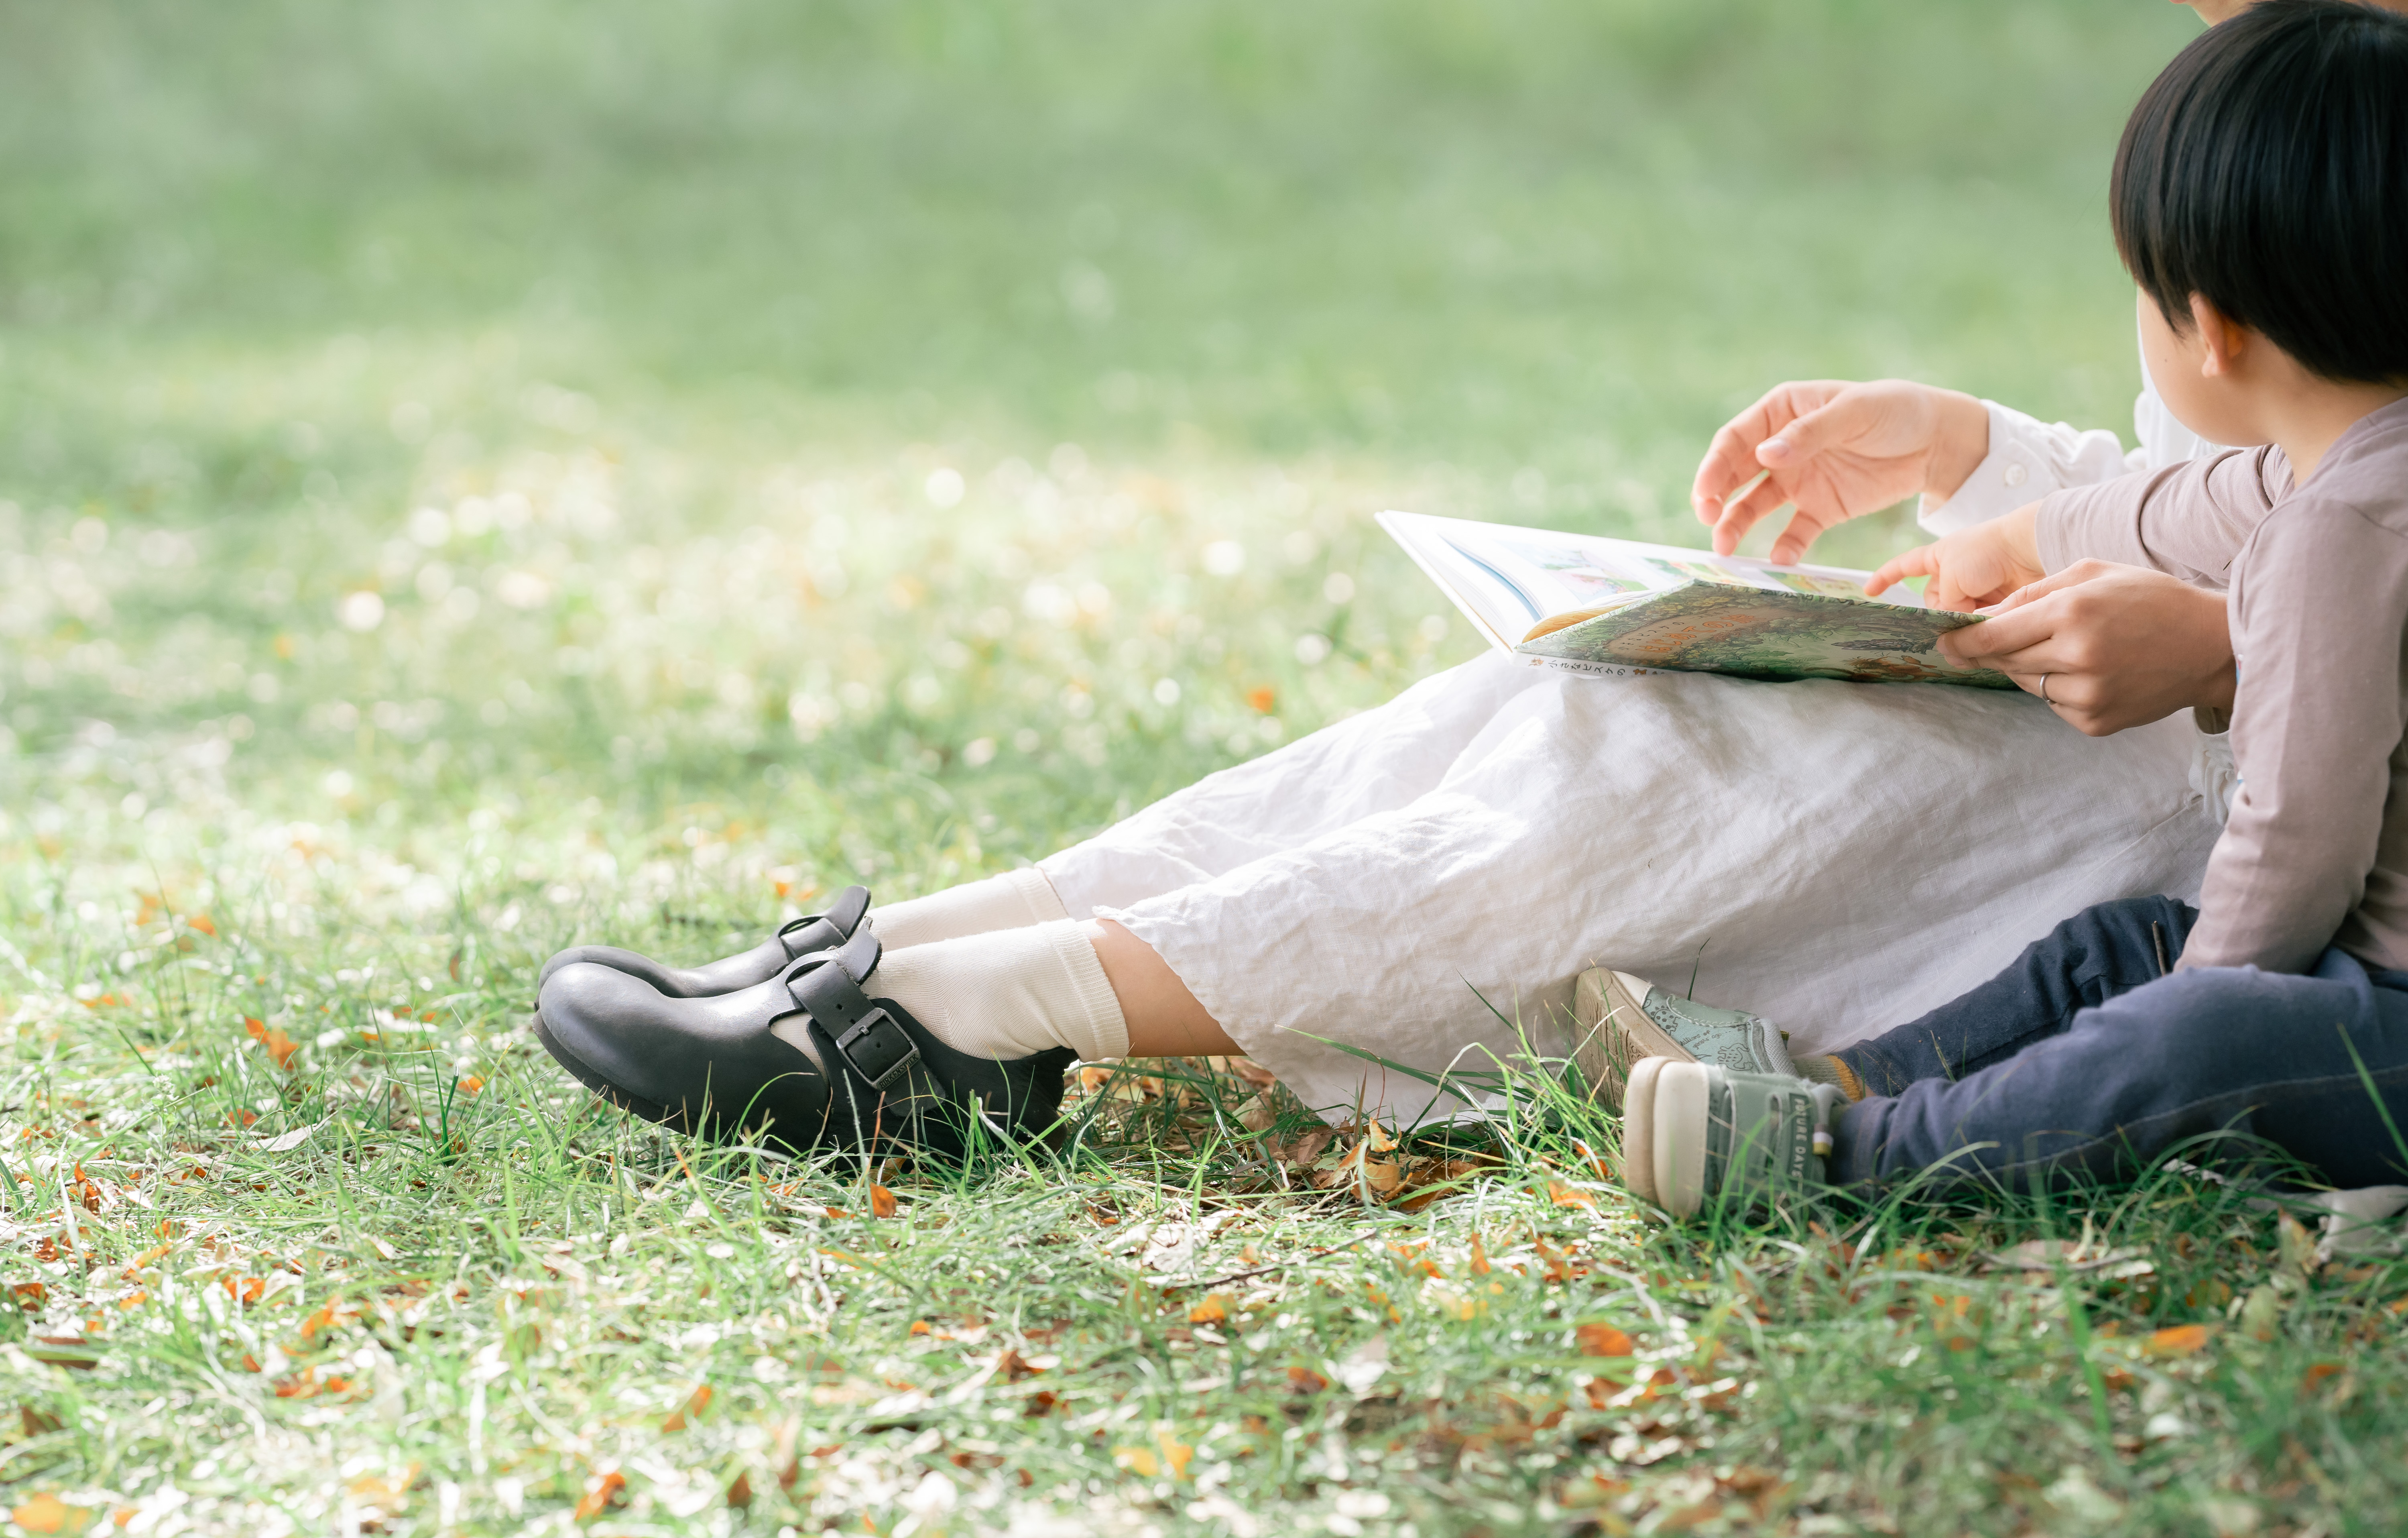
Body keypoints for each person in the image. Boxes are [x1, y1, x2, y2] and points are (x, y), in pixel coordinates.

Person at [524, 8, 2278, 1159]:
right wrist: (1977, 446)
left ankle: (973, 1023)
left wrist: (2229, 646)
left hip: (2224, 815)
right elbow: (2244, 468)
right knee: (1576, 694)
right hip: (2124, 701)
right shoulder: (2307, 87)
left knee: (1677, 784)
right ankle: (933, 954)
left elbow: (2334, 551)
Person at [1611, 0, 2408, 1219]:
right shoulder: (2343, 465)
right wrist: (2021, 532)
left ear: (2212, 330)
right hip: (2371, 984)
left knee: (2194, 1034)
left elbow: (2300, 838)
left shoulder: (2340, 530)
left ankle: (1838, 1165)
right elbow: (2181, 508)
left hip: (2388, 1023)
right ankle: (1829, 1087)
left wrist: (2187, 1009)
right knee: (2117, 946)